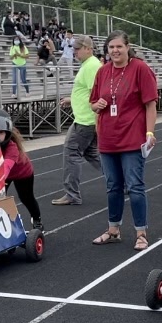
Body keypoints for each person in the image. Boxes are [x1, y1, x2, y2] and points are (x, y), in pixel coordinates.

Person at [89, 30, 158, 251]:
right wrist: (96, 105)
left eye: (119, 46)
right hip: (108, 139)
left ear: (127, 47)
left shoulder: (140, 69)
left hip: (132, 139)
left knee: (135, 187)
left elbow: (150, 104)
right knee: (112, 187)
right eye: (111, 47)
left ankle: (141, 233)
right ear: (107, 51)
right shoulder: (103, 72)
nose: (115, 51)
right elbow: (92, 102)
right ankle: (113, 230)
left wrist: (149, 132)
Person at [53, 35, 104, 206]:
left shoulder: (91, 67)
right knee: (93, 155)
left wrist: (96, 122)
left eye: (77, 48)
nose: (74, 52)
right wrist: (72, 99)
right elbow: (87, 92)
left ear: (88, 49)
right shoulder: (89, 65)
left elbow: (96, 94)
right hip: (86, 119)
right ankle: (123, 182)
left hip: (85, 120)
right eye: (73, 49)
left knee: (71, 153)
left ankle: (72, 194)